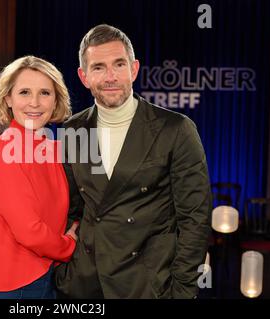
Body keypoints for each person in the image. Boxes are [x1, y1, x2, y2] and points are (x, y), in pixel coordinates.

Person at [54, 24, 212, 299]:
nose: (111, 76)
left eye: (119, 64)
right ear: (84, 76)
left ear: (134, 69)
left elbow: (195, 219)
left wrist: (183, 290)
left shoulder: (175, 129)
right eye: (99, 67)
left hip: (147, 284)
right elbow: (71, 209)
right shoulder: (72, 130)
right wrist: (65, 269)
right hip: (85, 284)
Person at [0, 56, 78, 299]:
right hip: (4, 286)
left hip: (45, 275)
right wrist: (70, 246)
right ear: (8, 98)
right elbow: (30, 231)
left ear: (56, 99)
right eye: (24, 92)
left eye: (45, 93)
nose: (35, 103)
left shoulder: (51, 149)